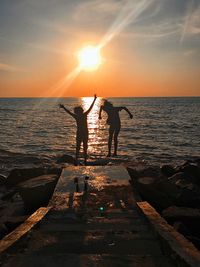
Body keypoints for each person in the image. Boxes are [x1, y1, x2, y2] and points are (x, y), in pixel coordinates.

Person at [59, 94, 97, 165]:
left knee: (81, 147)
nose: (77, 112)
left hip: (82, 133)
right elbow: (90, 108)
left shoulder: (79, 116)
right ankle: (80, 160)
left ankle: (81, 160)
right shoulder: (82, 115)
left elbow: (90, 108)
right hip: (83, 133)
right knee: (81, 147)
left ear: (78, 111)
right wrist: (94, 99)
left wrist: (94, 100)